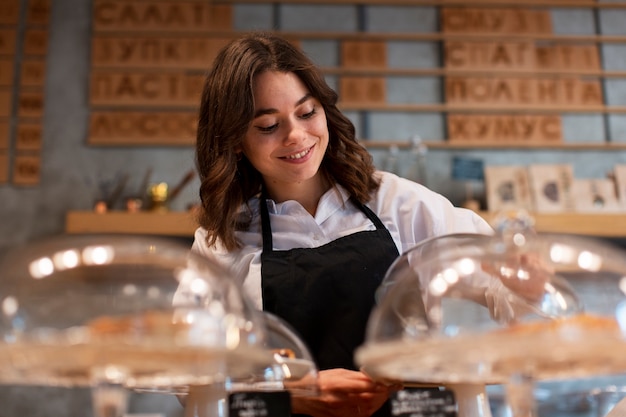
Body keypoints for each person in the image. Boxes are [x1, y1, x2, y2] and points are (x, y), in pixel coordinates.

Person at [191, 31, 493, 417]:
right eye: (268, 125)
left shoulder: (394, 201)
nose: (296, 135)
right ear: (235, 140)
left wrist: (521, 278)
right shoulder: (222, 244)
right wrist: (290, 392)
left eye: (307, 112)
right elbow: (194, 380)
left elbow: (498, 277)